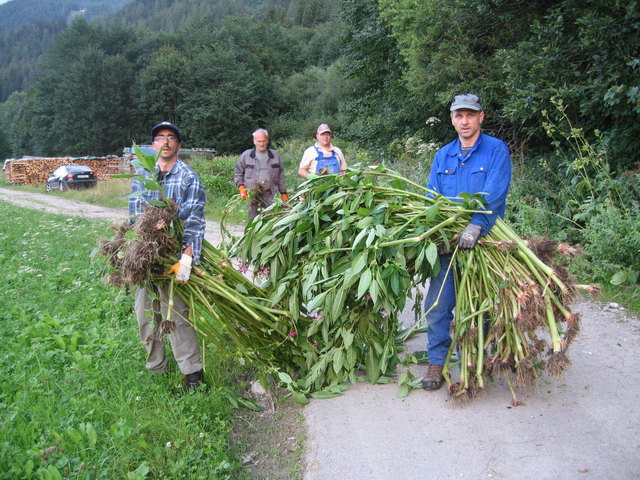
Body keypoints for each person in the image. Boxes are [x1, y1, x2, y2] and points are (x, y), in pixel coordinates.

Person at [422, 94, 512, 391]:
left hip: (482, 241)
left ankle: (475, 357)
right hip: (448, 243)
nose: (464, 121)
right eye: (459, 116)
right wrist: (436, 231)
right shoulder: (443, 155)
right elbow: (432, 196)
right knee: (438, 304)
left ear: (480, 117)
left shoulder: (495, 150)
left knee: (478, 304)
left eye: (469, 115)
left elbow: (494, 193)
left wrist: (476, 225)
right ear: (452, 119)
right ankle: (437, 361)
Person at [129, 121, 206, 390]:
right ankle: (157, 369)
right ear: (153, 146)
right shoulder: (142, 176)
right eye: (160, 138)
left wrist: (186, 258)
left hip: (173, 259)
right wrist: (137, 251)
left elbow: (195, 220)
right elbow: (133, 217)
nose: (166, 142)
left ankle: (193, 374)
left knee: (177, 316)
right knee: (147, 316)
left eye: (171, 137)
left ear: (178, 145)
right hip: (147, 260)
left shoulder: (188, 177)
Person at [234, 128, 288, 220]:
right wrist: (242, 188)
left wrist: (284, 193)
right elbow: (238, 173)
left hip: (271, 195)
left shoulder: (275, 155)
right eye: (259, 141)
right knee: (253, 222)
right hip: (253, 195)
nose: (262, 144)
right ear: (254, 141)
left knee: (272, 221)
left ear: (267, 140)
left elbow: (280, 176)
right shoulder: (246, 156)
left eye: (264, 141)